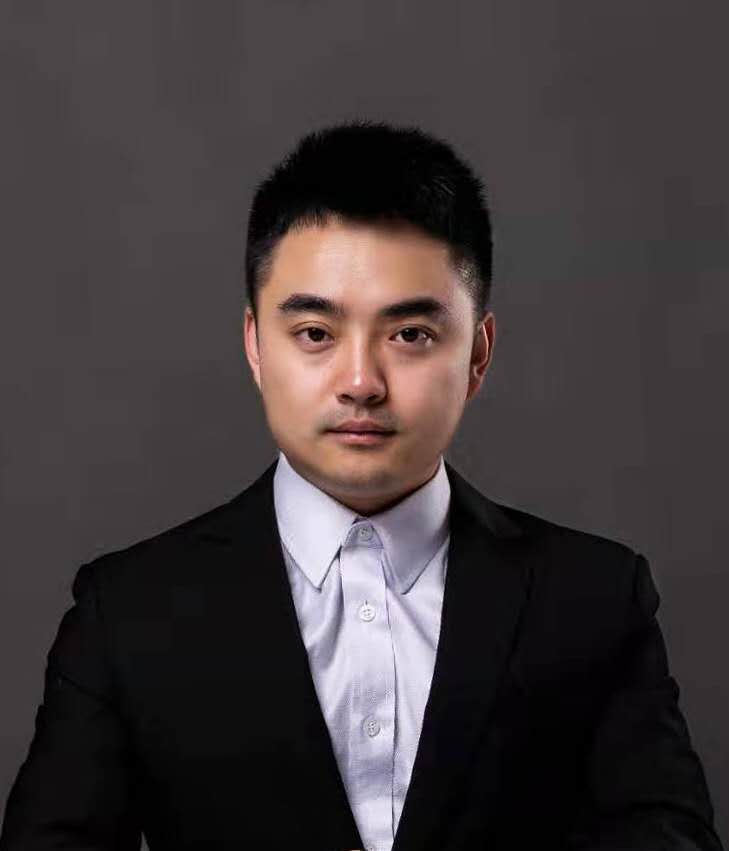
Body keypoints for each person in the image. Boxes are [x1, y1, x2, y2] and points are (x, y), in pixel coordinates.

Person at [0, 120, 722, 851]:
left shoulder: (595, 598)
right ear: (256, 344)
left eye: (409, 335)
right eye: (315, 333)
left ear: (477, 353)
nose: (359, 382)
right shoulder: (127, 612)